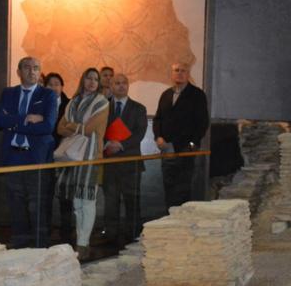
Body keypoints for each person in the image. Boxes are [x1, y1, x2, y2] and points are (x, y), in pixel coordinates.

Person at [0, 57, 57, 249]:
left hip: (36, 157)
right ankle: (20, 246)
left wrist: (13, 123)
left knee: (37, 205)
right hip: (13, 156)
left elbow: (47, 127)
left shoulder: (48, 94)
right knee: (16, 205)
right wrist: (26, 119)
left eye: (36, 68)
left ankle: (40, 247)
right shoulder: (8, 93)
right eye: (27, 68)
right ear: (19, 72)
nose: (32, 71)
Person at [55, 67, 109, 260]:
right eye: (89, 78)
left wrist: (71, 126)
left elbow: (89, 129)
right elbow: (59, 129)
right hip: (71, 156)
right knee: (77, 201)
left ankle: (84, 243)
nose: (92, 82)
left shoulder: (101, 102)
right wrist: (77, 127)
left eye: (95, 79)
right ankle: (80, 241)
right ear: (83, 80)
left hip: (90, 155)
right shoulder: (72, 102)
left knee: (88, 200)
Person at [153, 62, 209, 211]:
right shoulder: (166, 94)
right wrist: (158, 137)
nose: (179, 73)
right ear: (172, 74)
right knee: (169, 188)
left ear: (188, 74)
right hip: (166, 149)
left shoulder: (197, 95)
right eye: (176, 70)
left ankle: (182, 222)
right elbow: (158, 119)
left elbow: (202, 123)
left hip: (185, 150)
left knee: (183, 190)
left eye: (183, 70)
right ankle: (170, 220)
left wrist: (192, 143)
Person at [103, 73, 147, 248]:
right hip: (109, 162)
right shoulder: (103, 107)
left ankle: (134, 236)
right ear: (111, 86)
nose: (121, 86)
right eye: (117, 83)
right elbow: (97, 131)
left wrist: (120, 145)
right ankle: (110, 237)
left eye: (124, 83)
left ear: (128, 86)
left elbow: (139, 133)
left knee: (132, 202)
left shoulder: (139, 108)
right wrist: (107, 144)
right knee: (110, 203)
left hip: (131, 163)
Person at [43, 71, 72, 244]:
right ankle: (45, 230)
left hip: (65, 155)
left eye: (57, 84)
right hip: (45, 156)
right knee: (45, 194)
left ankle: (66, 232)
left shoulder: (70, 105)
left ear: (62, 87)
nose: (54, 87)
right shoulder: (40, 103)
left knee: (65, 196)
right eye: (50, 84)